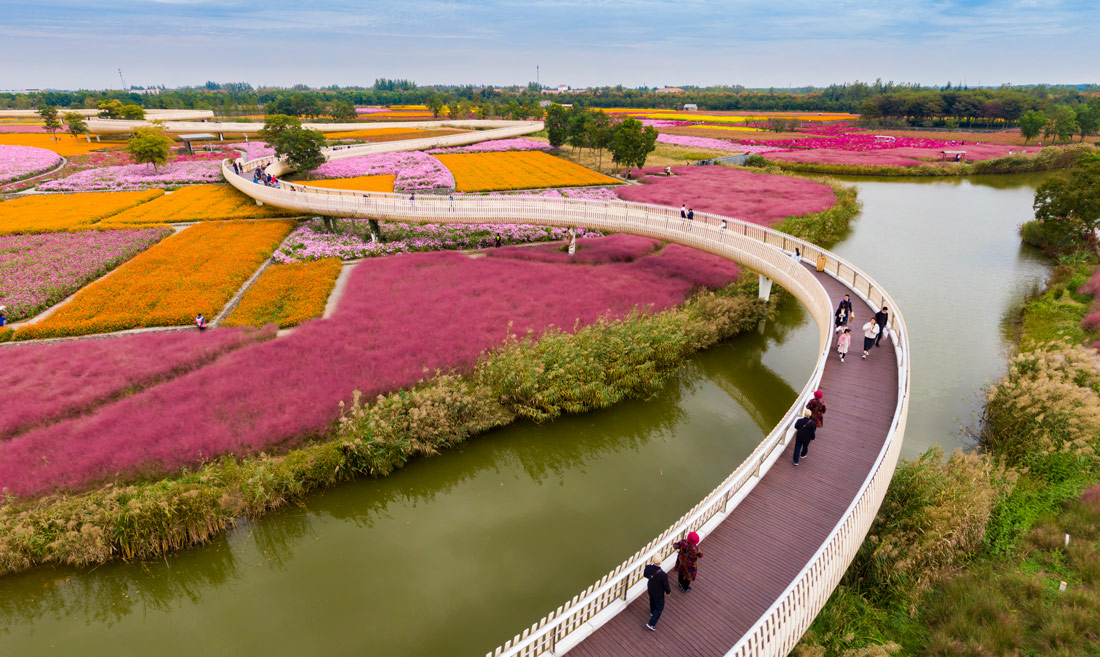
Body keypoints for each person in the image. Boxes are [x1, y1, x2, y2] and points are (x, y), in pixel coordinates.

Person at [643, 556, 671, 631]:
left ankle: (652, 612)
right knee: (659, 607)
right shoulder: (663, 574)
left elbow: (645, 575)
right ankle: (651, 623)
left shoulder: (648, 567)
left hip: (650, 588)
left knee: (652, 599)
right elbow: (666, 585)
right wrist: (668, 592)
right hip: (658, 592)